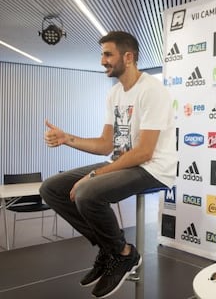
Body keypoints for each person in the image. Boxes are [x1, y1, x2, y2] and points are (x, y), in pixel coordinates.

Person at [40, 31, 177, 298]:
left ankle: (123, 255)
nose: (102, 60)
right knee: (51, 188)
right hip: (124, 162)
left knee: (86, 192)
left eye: (107, 54)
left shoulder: (152, 91)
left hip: (153, 168)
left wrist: (94, 174)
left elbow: (144, 153)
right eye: (102, 54)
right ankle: (110, 247)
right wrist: (66, 138)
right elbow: (105, 144)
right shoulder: (114, 94)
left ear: (128, 57)